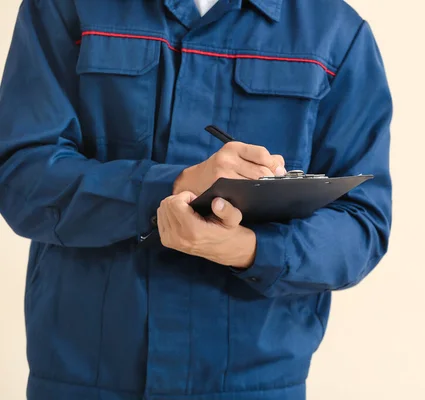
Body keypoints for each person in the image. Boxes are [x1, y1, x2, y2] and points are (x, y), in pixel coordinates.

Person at [0, 0, 392, 399]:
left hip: (252, 383)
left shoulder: (333, 32)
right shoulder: (66, 6)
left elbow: (361, 224)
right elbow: (21, 176)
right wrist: (171, 186)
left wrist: (252, 249)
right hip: (83, 376)